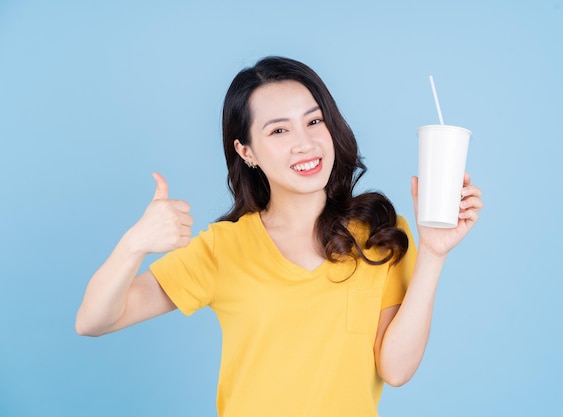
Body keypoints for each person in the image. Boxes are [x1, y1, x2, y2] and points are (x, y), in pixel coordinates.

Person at [75, 56, 483, 417]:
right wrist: (134, 244)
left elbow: (395, 370)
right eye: (278, 131)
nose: (304, 143)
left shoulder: (378, 232)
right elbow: (93, 321)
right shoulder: (223, 248)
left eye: (313, 121)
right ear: (246, 151)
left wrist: (433, 253)